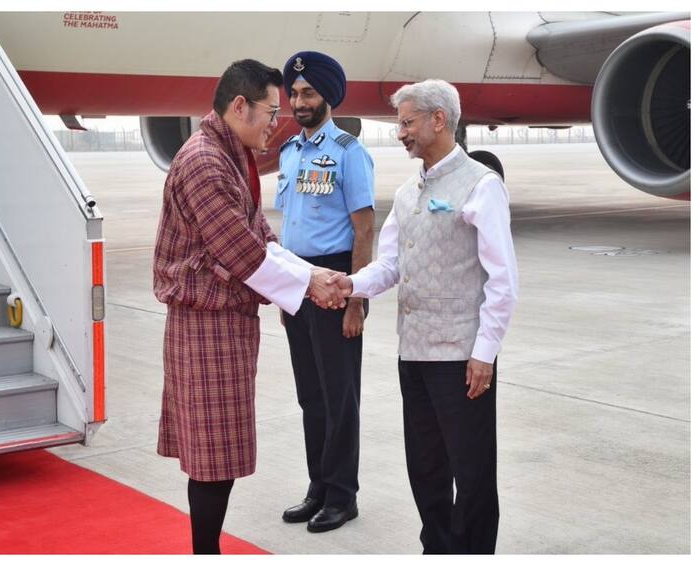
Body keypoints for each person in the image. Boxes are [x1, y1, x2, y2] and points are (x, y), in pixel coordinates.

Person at [153, 59, 344, 554]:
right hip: (205, 327)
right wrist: (310, 283)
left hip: (225, 326)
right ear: (240, 106)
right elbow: (241, 252)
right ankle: (205, 553)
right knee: (213, 457)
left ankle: (207, 549)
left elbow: (259, 234)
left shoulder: (229, 153)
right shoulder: (203, 161)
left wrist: (310, 275)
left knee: (221, 453)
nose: (276, 123)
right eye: (270, 111)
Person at [327, 79, 518, 554]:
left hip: (461, 359)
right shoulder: (409, 192)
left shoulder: (481, 185)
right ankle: (436, 549)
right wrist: (350, 285)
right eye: (399, 124)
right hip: (412, 354)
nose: (400, 133)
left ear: (438, 120)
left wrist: (484, 354)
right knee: (426, 468)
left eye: (407, 122)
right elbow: (391, 264)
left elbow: (503, 282)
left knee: (471, 474)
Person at [275, 51, 375, 533]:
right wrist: (285, 292)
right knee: (310, 396)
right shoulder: (289, 152)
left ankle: (342, 495)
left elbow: (364, 230)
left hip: (336, 282)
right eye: (294, 94)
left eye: (308, 93)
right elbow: (290, 227)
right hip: (297, 283)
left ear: (328, 97)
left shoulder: (349, 152)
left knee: (340, 396)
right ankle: (317, 486)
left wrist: (357, 300)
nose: (299, 101)